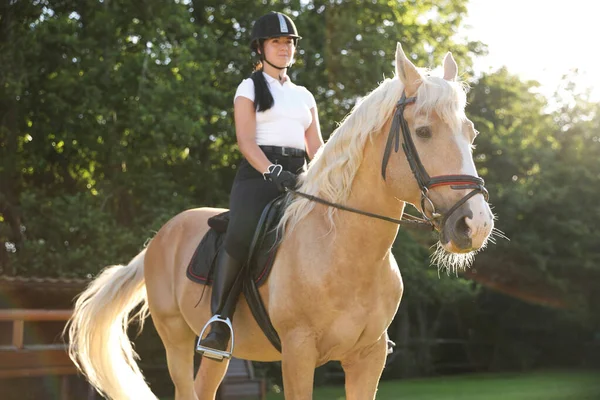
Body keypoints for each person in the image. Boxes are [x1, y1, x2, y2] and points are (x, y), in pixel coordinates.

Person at [196, 11, 324, 358]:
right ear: (261, 48)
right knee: (242, 232)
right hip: (259, 176)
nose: (284, 48)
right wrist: (271, 171)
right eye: (276, 42)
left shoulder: (304, 95)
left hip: (300, 177)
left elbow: (317, 149)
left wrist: (325, 177)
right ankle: (219, 321)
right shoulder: (249, 87)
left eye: (289, 43)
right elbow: (245, 141)